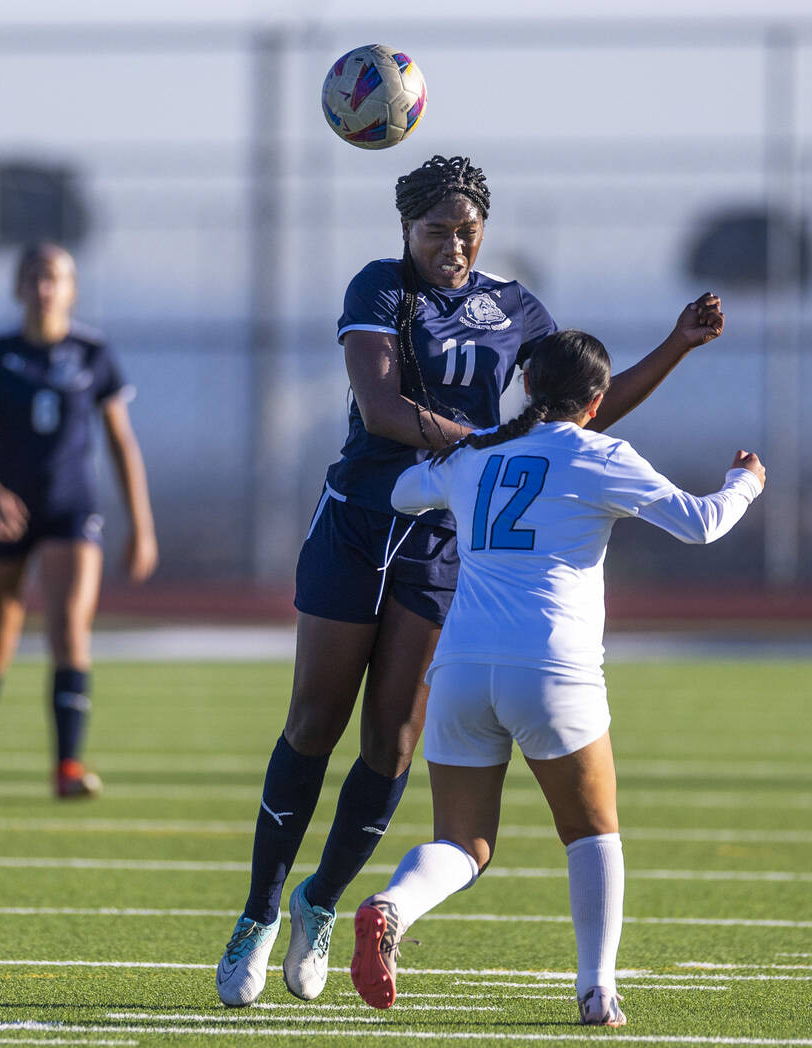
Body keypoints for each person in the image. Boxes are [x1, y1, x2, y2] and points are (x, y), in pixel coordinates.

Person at [215, 155, 727, 1008]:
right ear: (405, 232)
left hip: (443, 540)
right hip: (357, 522)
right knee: (313, 721)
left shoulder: (516, 308)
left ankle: (320, 903)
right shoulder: (379, 289)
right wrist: (482, 448)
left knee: (393, 741)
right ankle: (259, 912)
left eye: (467, 230)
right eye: (436, 231)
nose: (454, 245)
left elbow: (580, 402)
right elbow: (381, 409)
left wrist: (675, 345)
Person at [348, 329, 763, 1024]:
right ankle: (597, 989)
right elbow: (700, 525)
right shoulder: (602, 455)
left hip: (459, 668)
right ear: (597, 402)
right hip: (551, 668)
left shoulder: (475, 455)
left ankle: (394, 903)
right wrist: (743, 484)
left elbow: (401, 494)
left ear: (529, 385)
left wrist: (446, 447)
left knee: (462, 842)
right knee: (593, 832)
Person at [0, 242, 158, 800]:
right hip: (5, 512)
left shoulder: (92, 352)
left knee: (69, 631)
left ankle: (68, 767)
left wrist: (141, 524)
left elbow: (120, 442)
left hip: (70, 508)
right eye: (34, 278)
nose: (44, 288)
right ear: (19, 288)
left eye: (55, 278)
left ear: (71, 289)